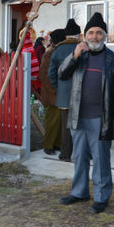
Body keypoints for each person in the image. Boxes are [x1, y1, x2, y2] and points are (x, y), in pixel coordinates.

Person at [58, 12, 114, 214]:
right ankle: (79, 192)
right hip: (78, 117)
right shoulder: (79, 57)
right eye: (91, 32)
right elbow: (61, 74)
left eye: (99, 32)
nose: (95, 36)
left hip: (101, 119)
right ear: (84, 36)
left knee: (100, 160)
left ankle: (101, 197)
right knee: (79, 157)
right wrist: (74, 56)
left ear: (105, 36)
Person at [49, 18, 81, 162]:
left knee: (66, 127)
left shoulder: (58, 50)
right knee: (83, 126)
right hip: (82, 94)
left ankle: (65, 154)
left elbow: (51, 73)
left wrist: (58, 87)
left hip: (64, 95)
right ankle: (85, 153)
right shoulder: (84, 49)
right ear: (78, 34)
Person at [38, 29, 65, 155]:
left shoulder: (58, 51)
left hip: (58, 93)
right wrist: (54, 90)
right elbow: (43, 75)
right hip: (52, 94)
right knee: (52, 121)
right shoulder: (49, 54)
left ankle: (57, 144)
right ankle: (48, 145)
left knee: (59, 120)